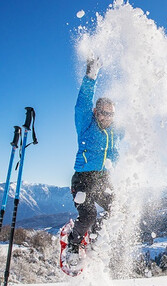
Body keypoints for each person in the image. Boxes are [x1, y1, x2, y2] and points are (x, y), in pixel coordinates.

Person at [66, 58, 123, 265]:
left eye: (111, 114)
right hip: (82, 179)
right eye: (103, 113)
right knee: (89, 215)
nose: (107, 117)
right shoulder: (86, 124)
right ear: (96, 112)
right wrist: (91, 75)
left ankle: (94, 240)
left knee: (117, 209)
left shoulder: (115, 131)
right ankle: (72, 245)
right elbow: (82, 102)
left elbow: (135, 126)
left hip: (102, 179)